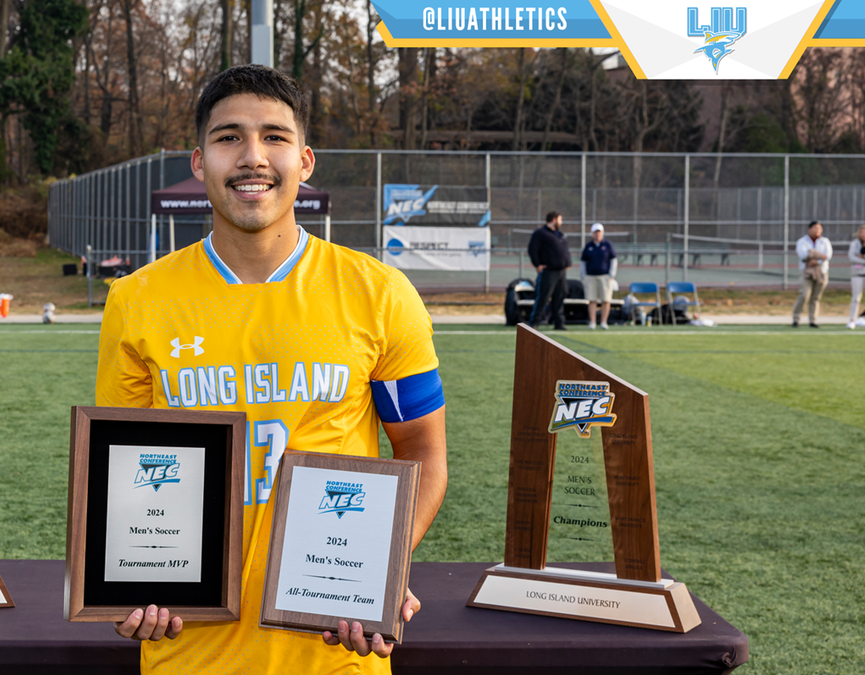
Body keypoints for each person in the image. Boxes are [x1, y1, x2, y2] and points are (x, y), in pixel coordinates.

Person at [98, 65, 447, 675]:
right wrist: (129, 584)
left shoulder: (379, 292)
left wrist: (382, 567)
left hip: (335, 647)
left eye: (275, 137)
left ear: (305, 160)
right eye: (229, 136)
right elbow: (128, 470)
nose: (253, 157)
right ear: (199, 160)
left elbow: (422, 450)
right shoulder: (137, 299)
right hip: (188, 650)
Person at [527, 211, 572, 330]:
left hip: (561, 272)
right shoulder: (540, 233)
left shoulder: (559, 234)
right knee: (543, 297)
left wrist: (567, 263)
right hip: (549, 271)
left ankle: (559, 322)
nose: (561, 223)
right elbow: (532, 249)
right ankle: (534, 322)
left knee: (560, 297)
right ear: (554, 220)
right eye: (560, 220)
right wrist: (537, 265)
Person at [792, 220, 832, 328]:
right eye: (815, 228)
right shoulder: (802, 241)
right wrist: (819, 255)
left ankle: (813, 320)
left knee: (816, 297)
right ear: (809, 229)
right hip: (807, 272)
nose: (817, 230)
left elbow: (827, 255)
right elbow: (804, 255)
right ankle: (796, 318)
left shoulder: (825, 241)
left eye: (819, 228)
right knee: (805, 295)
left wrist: (816, 259)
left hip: (821, 271)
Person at [580, 223, 617, 330]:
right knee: (592, 300)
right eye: (596, 232)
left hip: (605, 277)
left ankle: (604, 322)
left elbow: (613, 259)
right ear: (592, 233)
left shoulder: (608, 245)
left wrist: (611, 274)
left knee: (606, 300)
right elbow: (583, 261)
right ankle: (593, 322)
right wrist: (583, 276)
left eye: (599, 232)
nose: (598, 234)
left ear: (602, 233)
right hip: (590, 277)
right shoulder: (588, 246)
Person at [849, 224, 865, 330]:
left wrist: (861, 257)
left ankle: (862, 318)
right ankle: (852, 320)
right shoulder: (854, 244)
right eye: (862, 232)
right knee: (856, 298)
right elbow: (852, 257)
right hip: (857, 273)